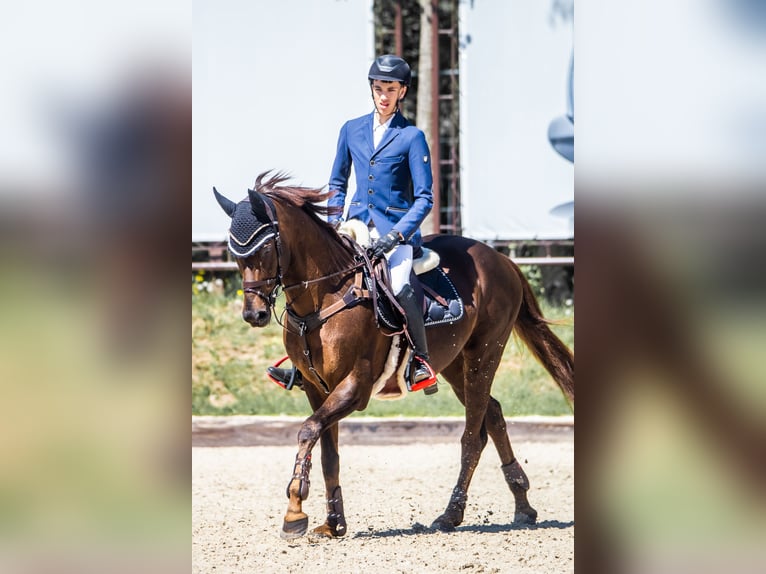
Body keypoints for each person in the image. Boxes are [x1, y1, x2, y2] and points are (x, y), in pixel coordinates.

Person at [269, 54, 436, 391]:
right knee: (317, 283)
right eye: (378, 89)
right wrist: (334, 222)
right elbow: (337, 182)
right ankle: (302, 363)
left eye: (390, 89)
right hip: (355, 227)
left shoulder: (411, 137)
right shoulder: (351, 130)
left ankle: (420, 360)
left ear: (402, 91)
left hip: (394, 234)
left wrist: (398, 235)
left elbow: (424, 198)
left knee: (401, 286)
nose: (383, 96)